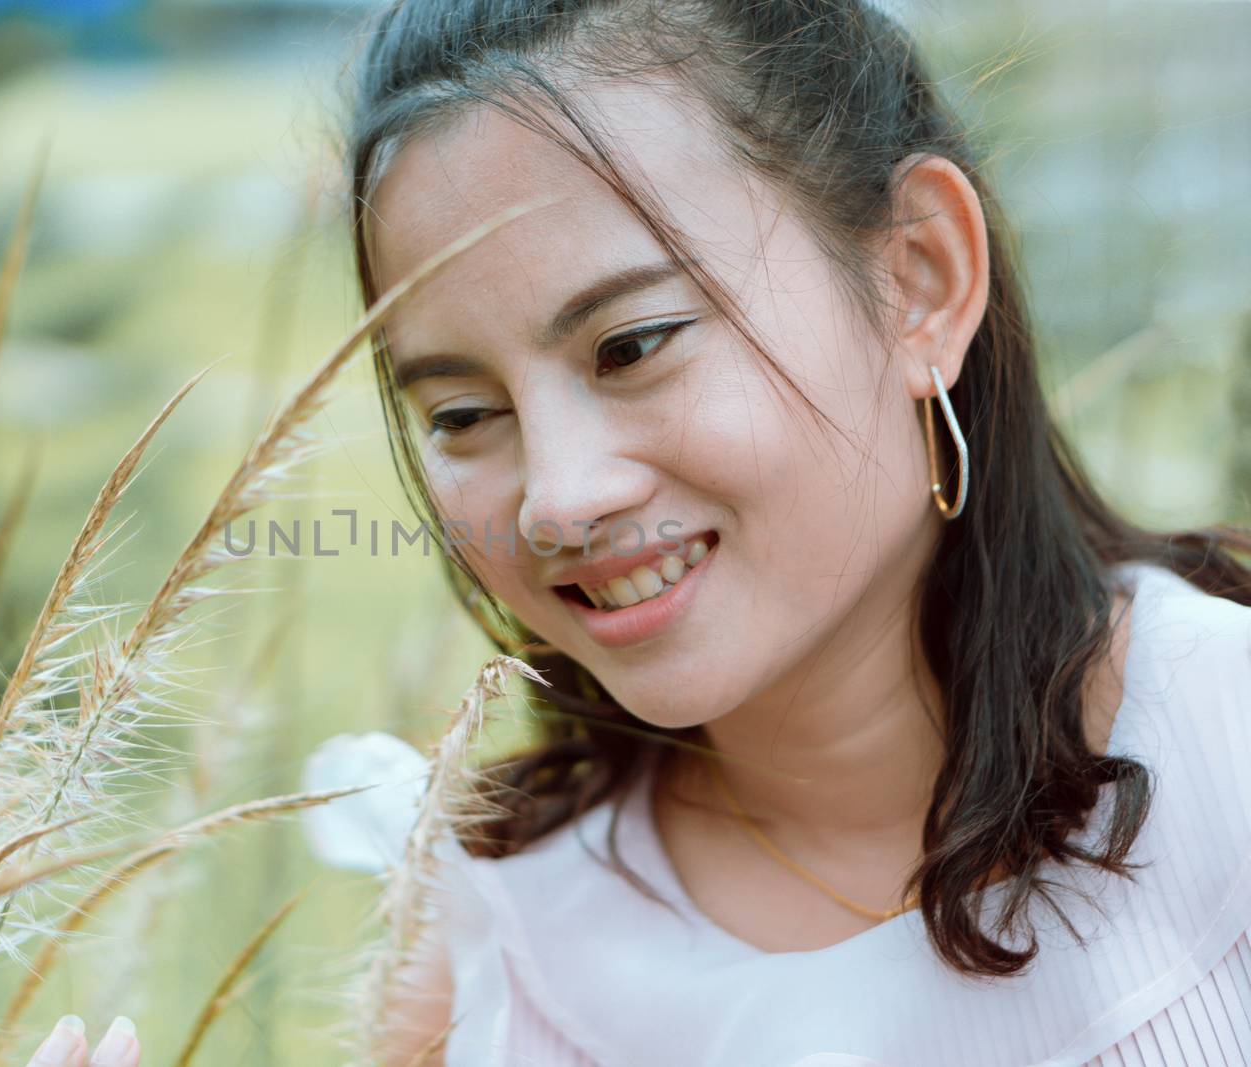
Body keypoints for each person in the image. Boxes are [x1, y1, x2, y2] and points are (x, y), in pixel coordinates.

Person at [331, 0, 1251, 1065]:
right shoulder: (498, 958)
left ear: (918, 278)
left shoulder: (1223, 744)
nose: (557, 498)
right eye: (460, 414)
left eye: (630, 345)